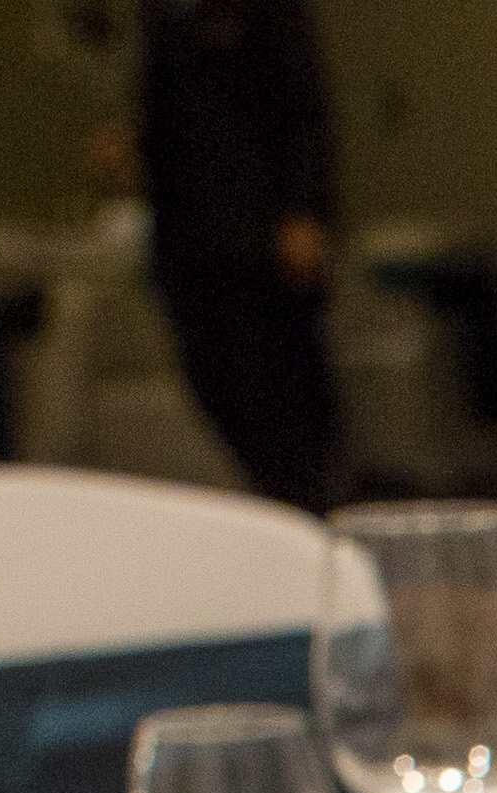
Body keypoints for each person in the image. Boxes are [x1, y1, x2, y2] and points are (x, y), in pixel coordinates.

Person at [132, 0, 342, 506]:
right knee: (215, 385)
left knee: (282, 391)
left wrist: (304, 210)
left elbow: (303, 104)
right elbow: (167, 111)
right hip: (186, 238)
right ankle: (275, 507)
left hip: (261, 234)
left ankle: (314, 516)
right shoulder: (161, 13)